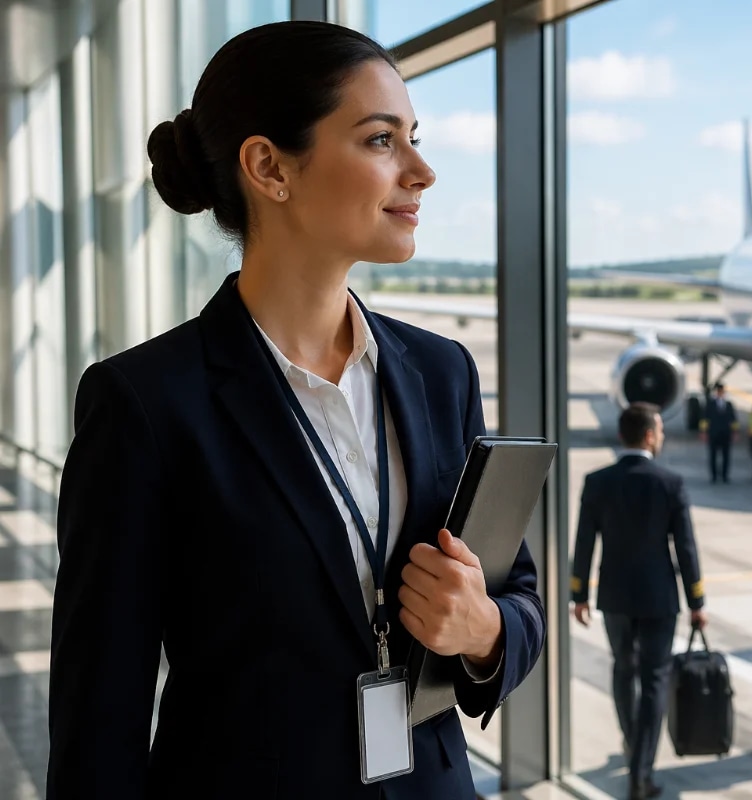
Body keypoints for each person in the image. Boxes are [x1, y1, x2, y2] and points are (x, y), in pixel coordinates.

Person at [46, 21, 545, 799]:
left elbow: (519, 600)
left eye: (414, 138)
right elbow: (98, 721)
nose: (421, 171)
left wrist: (483, 634)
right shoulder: (144, 405)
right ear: (269, 167)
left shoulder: (442, 372)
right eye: (382, 140)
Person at [570, 402, 708, 800]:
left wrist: (578, 592)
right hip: (658, 597)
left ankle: (633, 745)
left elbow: (583, 541)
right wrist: (697, 601)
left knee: (622, 670)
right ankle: (641, 770)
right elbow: (686, 548)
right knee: (653, 680)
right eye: (660, 430)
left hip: (613, 596)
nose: (661, 436)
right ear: (649, 435)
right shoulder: (670, 483)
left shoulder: (598, 481)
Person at [700, 383, 737, 483]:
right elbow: (705, 419)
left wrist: (734, 432)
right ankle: (714, 476)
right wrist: (703, 432)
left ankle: (725, 476)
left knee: (726, 456)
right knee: (713, 456)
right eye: (719, 391)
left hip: (725, 433)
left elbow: (733, 420)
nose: (720, 393)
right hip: (714, 433)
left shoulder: (728, 404)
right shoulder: (710, 404)